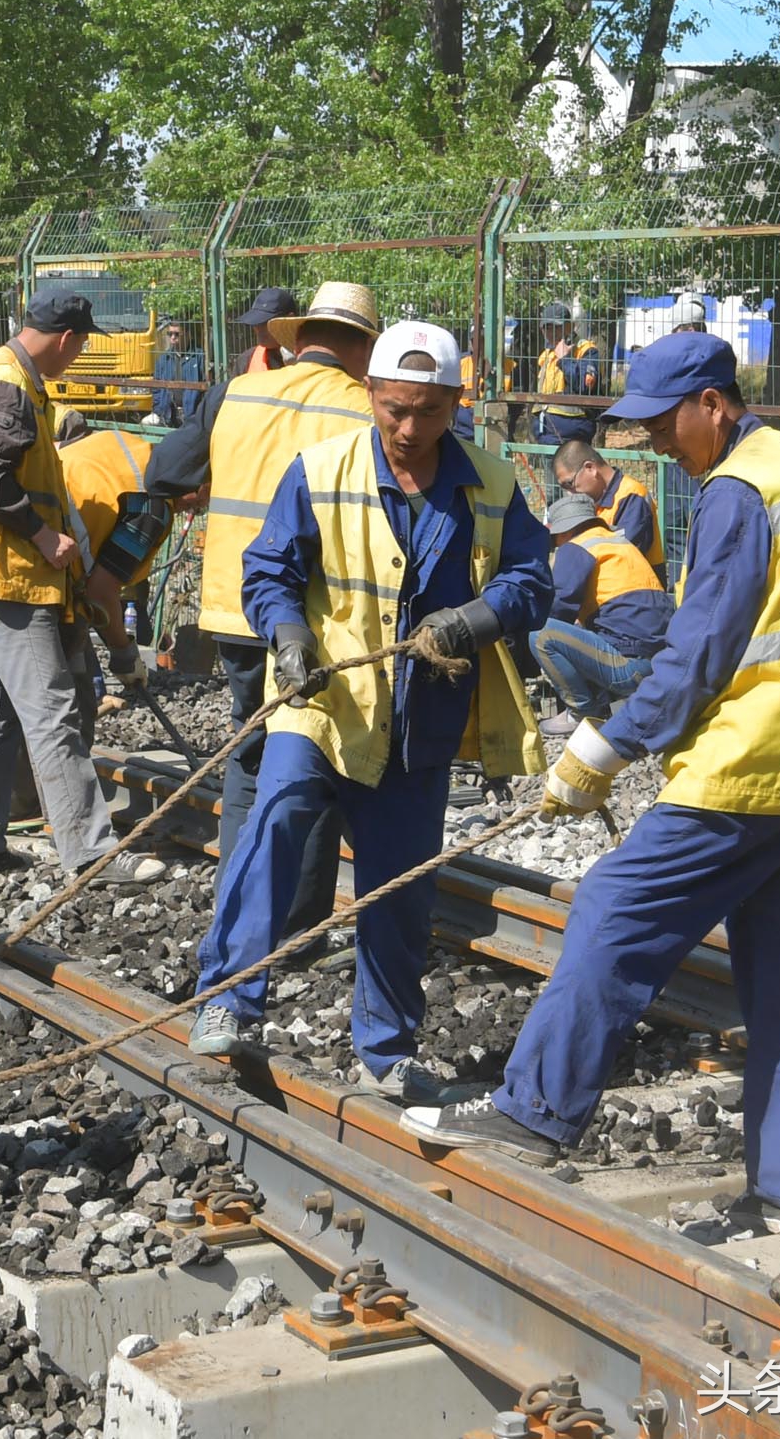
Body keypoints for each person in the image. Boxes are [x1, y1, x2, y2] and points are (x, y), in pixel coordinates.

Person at [406, 332, 780, 1239]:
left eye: (665, 422)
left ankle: (535, 1113)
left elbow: (700, 650)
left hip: (756, 762)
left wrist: (605, 746)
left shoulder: (742, 491)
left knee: (613, 911)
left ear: (714, 403)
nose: (656, 443)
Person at [184, 321, 550, 1101]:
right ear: (372, 397)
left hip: (423, 722)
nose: (409, 429)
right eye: (393, 410)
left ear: (456, 401)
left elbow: (531, 579)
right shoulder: (321, 471)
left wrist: (474, 620)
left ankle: (388, 1048)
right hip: (325, 704)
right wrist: (286, 637)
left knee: (398, 884)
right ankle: (229, 1000)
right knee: (277, 821)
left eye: (426, 411)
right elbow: (269, 569)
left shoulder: (490, 481)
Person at [144, 282, 381, 949]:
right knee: (318, 763)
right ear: (363, 348)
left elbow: (164, 473)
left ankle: (236, 912)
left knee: (249, 756)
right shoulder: (366, 412)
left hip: (232, 606)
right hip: (321, 620)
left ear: (295, 339)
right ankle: (293, 930)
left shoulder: (233, 397)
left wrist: (212, 483)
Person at [0, 289, 167, 885]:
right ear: (66, 339)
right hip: (7, 574)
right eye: (82, 344)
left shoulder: (11, 376)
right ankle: (89, 852)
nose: (78, 355)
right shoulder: (8, 384)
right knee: (53, 712)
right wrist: (40, 535)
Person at [55, 410, 173, 736]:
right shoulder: (151, 507)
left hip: (27, 566)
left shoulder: (128, 450)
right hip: (47, 584)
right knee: (72, 723)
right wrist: (124, 652)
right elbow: (101, 593)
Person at [528, 492, 674, 736]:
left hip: (629, 668)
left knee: (540, 633)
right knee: (585, 628)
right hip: (661, 668)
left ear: (564, 532)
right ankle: (613, 704)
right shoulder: (620, 544)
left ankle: (581, 712)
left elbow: (559, 606)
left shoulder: (576, 547)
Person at [552, 438, 664, 579]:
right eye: (564, 488)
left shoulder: (632, 496)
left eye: (569, 483)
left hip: (636, 592)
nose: (569, 493)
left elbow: (620, 556)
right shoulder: (592, 502)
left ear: (590, 468)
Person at [533, 302, 602, 445]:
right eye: (547, 328)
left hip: (572, 437)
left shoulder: (586, 350)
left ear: (571, 326)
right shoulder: (546, 355)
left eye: (558, 327)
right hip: (545, 433)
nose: (553, 333)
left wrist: (564, 360)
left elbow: (584, 386)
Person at [151, 319, 204, 427]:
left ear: (188, 335)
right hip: (168, 415)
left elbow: (206, 385)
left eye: (177, 334)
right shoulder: (164, 359)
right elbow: (156, 388)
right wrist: (159, 409)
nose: (173, 337)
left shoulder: (199, 357)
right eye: (170, 334)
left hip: (192, 417)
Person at [233, 288, 299, 376]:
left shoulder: (312, 358)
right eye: (255, 322)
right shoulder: (246, 360)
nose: (258, 328)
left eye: (265, 323)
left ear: (289, 319)